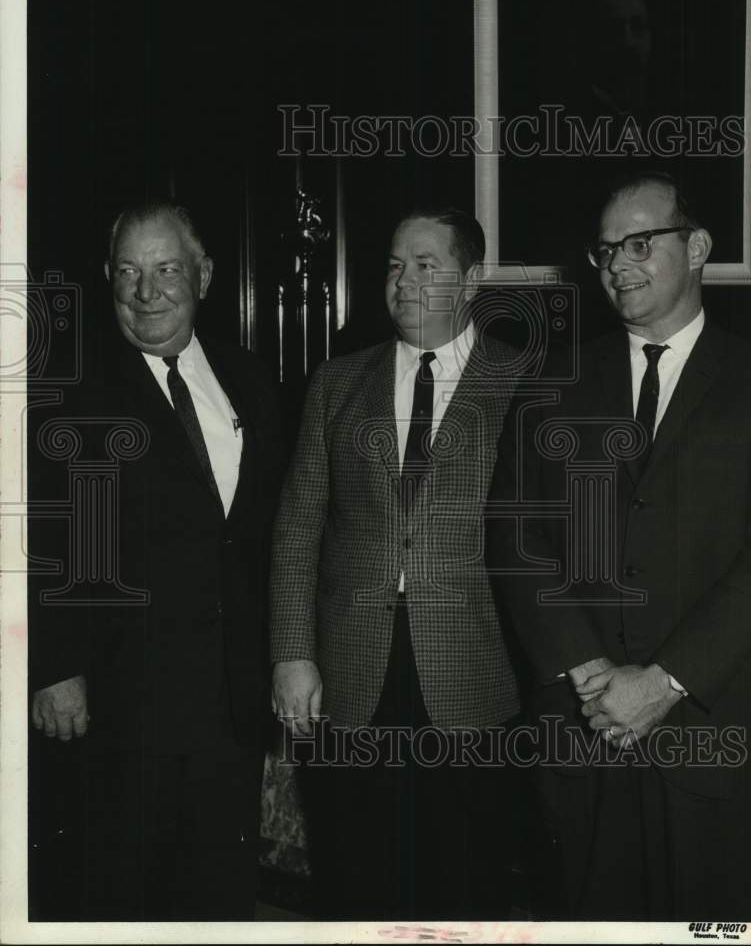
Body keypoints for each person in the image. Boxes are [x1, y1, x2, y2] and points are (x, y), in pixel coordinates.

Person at [487, 171, 751, 920]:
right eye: (606, 249)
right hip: (583, 744)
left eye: (640, 244)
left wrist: (665, 681)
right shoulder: (555, 380)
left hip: (713, 741)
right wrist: (588, 673)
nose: (617, 266)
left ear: (700, 246)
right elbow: (515, 536)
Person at [29, 200, 283, 919]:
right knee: (121, 897)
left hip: (231, 697)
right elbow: (43, 540)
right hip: (118, 701)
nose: (148, 293)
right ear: (108, 279)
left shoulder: (250, 378)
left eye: (167, 269)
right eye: (129, 274)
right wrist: (54, 667)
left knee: (220, 894)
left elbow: (268, 531)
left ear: (202, 275)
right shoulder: (70, 389)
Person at [270, 208, 522, 920]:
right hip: (351, 672)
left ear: (470, 278)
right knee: (356, 880)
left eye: (425, 264)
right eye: (391, 265)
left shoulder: (525, 381)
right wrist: (292, 652)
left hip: (477, 670)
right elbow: (296, 530)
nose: (402, 281)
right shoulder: (336, 383)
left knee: (468, 886)